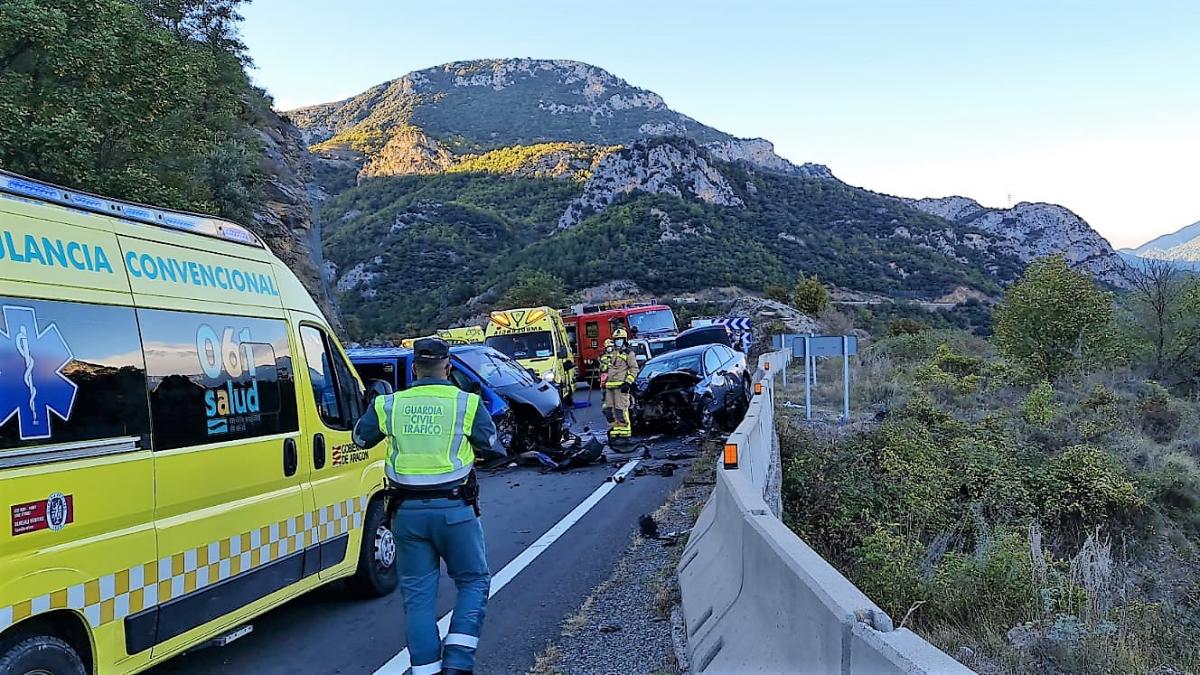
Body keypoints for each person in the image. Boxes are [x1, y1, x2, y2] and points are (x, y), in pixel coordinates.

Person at [353, 337, 499, 675]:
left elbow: (360, 438)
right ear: (448, 367)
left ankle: (425, 670)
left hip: (405, 514)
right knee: (474, 581)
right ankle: (458, 665)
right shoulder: (466, 403)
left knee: (418, 597)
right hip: (455, 510)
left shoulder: (389, 405)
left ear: (414, 368)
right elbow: (490, 443)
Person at [600, 328, 639, 440]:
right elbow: (606, 368)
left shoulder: (628, 353)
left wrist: (628, 383)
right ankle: (615, 430)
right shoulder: (612, 353)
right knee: (609, 410)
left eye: (620, 339)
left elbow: (634, 369)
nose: (617, 341)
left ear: (624, 340)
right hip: (609, 387)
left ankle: (625, 432)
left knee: (620, 410)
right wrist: (600, 363)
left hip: (621, 387)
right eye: (616, 339)